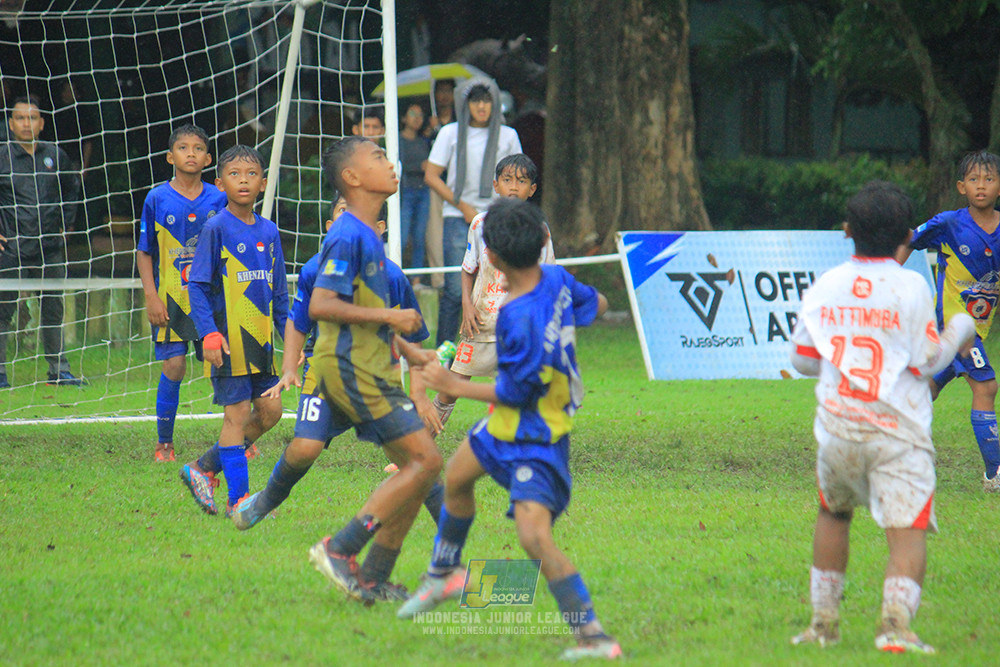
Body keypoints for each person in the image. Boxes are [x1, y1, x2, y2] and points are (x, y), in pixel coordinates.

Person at [397, 198, 621, 662]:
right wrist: (589, 307)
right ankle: (444, 572)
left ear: (492, 259)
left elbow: (515, 392)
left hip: (539, 435)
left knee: (534, 538)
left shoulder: (518, 316)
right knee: (457, 478)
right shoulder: (556, 279)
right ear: (542, 242)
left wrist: (450, 384)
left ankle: (595, 636)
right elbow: (595, 303)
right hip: (507, 424)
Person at [790, 181, 976, 654]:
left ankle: (822, 624)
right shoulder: (911, 286)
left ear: (847, 231)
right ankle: (895, 626)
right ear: (909, 237)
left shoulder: (827, 283)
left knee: (833, 513)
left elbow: (803, 359)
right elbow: (927, 361)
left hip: (838, 428)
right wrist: (960, 329)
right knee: (907, 528)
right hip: (899, 433)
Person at [231, 198, 445, 603]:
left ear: (379, 230)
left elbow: (414, 340)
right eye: (342, 217)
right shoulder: (316, 270)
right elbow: (298, 321)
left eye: (361, 220)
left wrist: (419, 395)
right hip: (326, 374)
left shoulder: (392, 277)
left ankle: (448, 536)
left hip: (376, 379)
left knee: (415, 457)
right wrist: (290, 367)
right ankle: (265, 502)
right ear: (330, 229)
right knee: (305, 447)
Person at [304, 136, 443, 604]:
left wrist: (409, 351)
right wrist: (390, 317)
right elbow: (322, 304)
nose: (391, 163)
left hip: (373, 366)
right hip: (351, 368)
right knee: (425, 462)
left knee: (420, 468)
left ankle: (372, 577)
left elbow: (365, 309)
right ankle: (339, 549)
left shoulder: (368, 237)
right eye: (379, 157)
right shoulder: (348, 235)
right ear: (352, 177)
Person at [178, 145, 288, 516]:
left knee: (271, 412)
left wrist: (293, 341)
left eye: (251, 174)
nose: (244, 181)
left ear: (263, 183)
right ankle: (238, 500)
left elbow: (279, 293)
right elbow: (196, 285)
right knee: (236, 415)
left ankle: (204, 467)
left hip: (261, 342)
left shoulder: (269, 231)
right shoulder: (216, 228)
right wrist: (208, 333)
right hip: (227, 341)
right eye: (235, 174)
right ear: (220, 183)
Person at [898, 150, 1000, 491]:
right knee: (986, 386)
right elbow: (909, 239)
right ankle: (995, 475)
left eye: (989, 179)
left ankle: (881, 445)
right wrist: (887, 277)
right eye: (973, 179)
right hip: (952, 328)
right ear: (961, 187)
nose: (981, 186)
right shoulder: (949, 224)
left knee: (923, 391)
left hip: (976, 329)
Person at [432, 153, 554, 427]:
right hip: (482, 323)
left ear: (532, 189)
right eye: (507, 180)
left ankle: (527, 439)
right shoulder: (479, 224)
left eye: (522, 181)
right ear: (496, 185)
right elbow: (468, 268)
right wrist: (467, 305)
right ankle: (420, 442)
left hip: (521, 327)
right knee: (452, 387)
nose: (514, 187)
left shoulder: (540, 230)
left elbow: (548, 277)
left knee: (525, 389)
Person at [136, 125, 227, 462]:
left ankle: (238, 437)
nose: (191, 153)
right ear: (169, 157)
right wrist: (151, 296)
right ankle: (165, 443)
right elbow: (144, 251)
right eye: (183, 148)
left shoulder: (219, 198)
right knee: (174, 366)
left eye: (198, 148)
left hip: (212, 300)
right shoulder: (157, 198)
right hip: (171, 298)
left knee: (222, 366)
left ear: (208, 158)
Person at [425, 79, 522, 347]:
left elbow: (519, 175)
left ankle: (498, 347)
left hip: (498, 218)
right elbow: (431, 175)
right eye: (476, 101)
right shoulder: (450, 133)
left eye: (487, 100)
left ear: (495, 104)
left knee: (501, 286)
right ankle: (445, 351)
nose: (481, 106)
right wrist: (463, 207)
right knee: (455, 290)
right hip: (458, 217)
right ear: (464, 104)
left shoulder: (508, 135)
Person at [0, 95, 83, 388]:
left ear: (42, 123)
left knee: (53, 309)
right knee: (3, 310)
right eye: (20, 118)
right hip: (10, 249)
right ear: (11, 124)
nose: (26, 123)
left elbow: (71, 189)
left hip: (49, 248)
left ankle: (59, 370)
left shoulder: (55, 155)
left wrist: (66, 225)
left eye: (32, 118)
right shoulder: (2, 156)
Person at [398, 101, 430, 288]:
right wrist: (420, 166)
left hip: (423, 191)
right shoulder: (398, 140)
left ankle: (416, 280)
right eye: (412, 114)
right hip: (406, 191)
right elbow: (398, 165)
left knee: (419, 237)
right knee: (401, 238)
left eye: (420, 115)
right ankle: (397, 276)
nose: (417, 118)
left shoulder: (424, 141)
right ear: (403, 118)